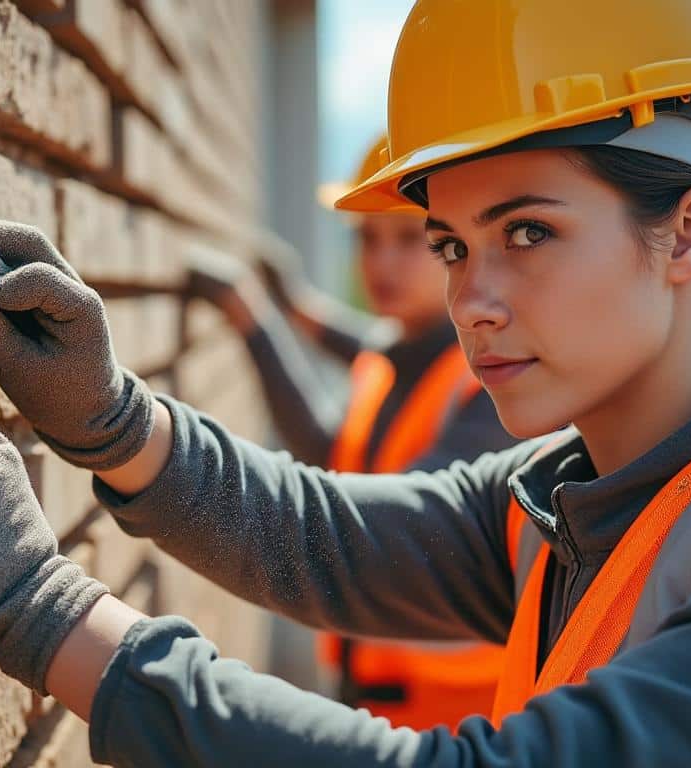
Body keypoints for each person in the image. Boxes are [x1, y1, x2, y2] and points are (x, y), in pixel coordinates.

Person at [0, 0, 691, 764]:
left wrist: (41, 608)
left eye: (529, 231)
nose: (471, 300)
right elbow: (325, 540)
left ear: (689, 233)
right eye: (452, 243)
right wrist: (113, 421)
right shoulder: (576, 488)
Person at [183, 134, 517, 730]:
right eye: (366, 239)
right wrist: (294, 305)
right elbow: (345, 427)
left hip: (455, 722)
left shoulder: (492, 392)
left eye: (411, 241)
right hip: (380, 696)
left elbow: (377, 531)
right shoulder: (402, 356)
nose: (380, 265)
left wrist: (254, 316)